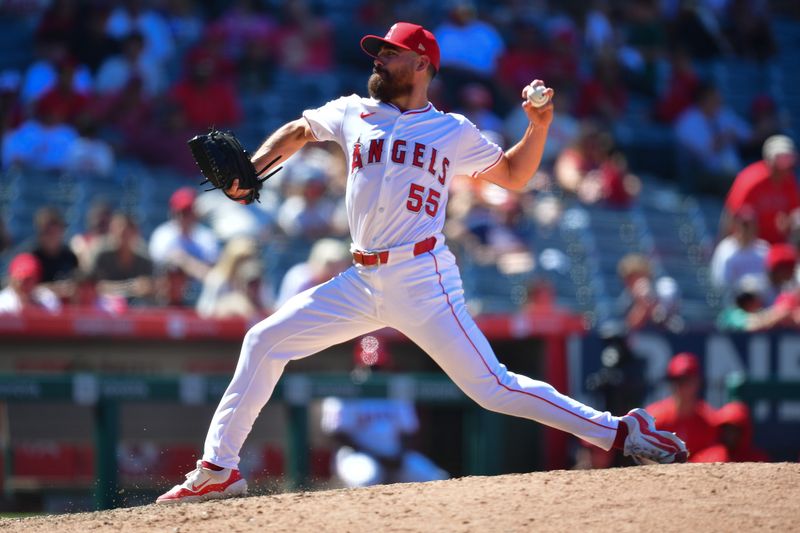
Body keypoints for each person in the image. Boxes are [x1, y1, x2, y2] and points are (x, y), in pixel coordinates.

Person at [156, 22, 687, 504]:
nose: (379, 60)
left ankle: (622, 431)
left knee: (492, 389)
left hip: (422, 276)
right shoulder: (352, 111)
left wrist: (539, 125)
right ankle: (219, 467)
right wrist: (253, 168)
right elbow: (299, 130)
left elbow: (515, 176)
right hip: (361, 278)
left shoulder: (452, 130)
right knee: (264, 340)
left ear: (422, 64)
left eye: (391, 54)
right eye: (379, 52)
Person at [321, 335, 449, 487]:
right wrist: (379, 457)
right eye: (369, 366)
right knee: (367, 479)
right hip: (357, 456)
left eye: (377, 367)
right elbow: (336, 435)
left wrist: (399, 456)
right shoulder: (345, 390)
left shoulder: (395, 390)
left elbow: (408, 431)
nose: (374, 371)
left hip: (395, 456)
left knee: (437, 478)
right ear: (358, 364)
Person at [723, 135, 799, 245]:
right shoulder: (751, 180)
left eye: (788, 159)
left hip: (778, 244)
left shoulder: (790, 181)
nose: (785, 166)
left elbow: (794, 212)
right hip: (750, 246)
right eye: (780, 158)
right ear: (768, 159)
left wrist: (790, 222)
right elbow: (733, 216)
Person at [645, 353, 718, 458]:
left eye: (685, 380)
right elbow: (643, 455)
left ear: (697, 381)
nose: (680, 386)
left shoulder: (710, 420)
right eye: (676, 380)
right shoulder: (654, 418)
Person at [709, 206, 769, 295]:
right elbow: (718, 282)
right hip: (732, 301)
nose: (746, 229)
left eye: (750, 225)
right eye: (744, 224)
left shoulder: (764, 249)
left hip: (760, 302)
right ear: (735, 225)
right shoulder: (725, 249)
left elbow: (770, 282)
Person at [690, 401, 769, 463]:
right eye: (726, 429)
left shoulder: (756, 459)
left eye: (735, 430)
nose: (730, 435)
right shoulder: (707, 458)